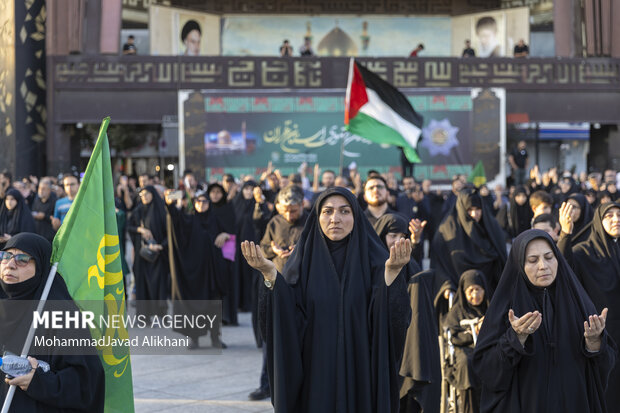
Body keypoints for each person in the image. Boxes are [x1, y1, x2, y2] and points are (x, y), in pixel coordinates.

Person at [241, 187, 412, 413]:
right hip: (315, 373)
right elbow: (286, 318)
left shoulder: (377, 261)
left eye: (344, 211)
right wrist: (271, 276)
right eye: (328, 211)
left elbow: (390, 325)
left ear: (356, 216)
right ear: (317, 217)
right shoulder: (303, 263)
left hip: (360, 371)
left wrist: (391, 277)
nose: (335, 219)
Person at [472, 229, 616, 412]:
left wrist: (594, 342)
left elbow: (605, 364)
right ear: (519, 264)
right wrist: (515, 339)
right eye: (532, 260)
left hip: (573, 402)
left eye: (549, 257)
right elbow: (487, 371)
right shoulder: (505, 307)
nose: (543, 266)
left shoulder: (577, 301)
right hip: (526, 403)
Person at [0, 233, 105, 412]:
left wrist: (39, 382)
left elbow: (87, 383)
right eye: (5, 256)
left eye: (22, 259)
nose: (10, 264)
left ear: (40, 266)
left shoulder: (61, 314)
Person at [249, 185, 308, 401]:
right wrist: (273, 251)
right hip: (276, 287)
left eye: (293, 210)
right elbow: (263, 248)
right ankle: (267, 384)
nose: (289, 214)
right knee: (271, 339)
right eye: (285, 210)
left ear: (302, 205)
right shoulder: (274, 222)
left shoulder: (310, 222)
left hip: (302, 289)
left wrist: (299, 251)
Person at [164, 190, 226, 349]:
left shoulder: (216, 220)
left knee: (213, 305)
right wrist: (170, 204)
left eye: (205, 201)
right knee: (193, 306)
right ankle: (194, 338)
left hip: (213, 272)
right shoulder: (189, 219)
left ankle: (215, 337)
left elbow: (232, 233)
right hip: (195, 274)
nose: (201, 204)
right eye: (198, 201)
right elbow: (176, 221)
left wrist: (225, 235)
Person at [572, 202, 620, 408]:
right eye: (609, 216)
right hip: (602, 331)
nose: (616, 219)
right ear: (599, 221)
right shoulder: (583, 253)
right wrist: (565, 234)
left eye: (619, 215)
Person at [431, 189, 507, 297]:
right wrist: (446, 285)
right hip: (458, 296)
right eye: (469, 210)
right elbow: (439, 264)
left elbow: (502, 260)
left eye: (478, 209)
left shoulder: (491, 227)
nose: (474, 214)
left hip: (490, 293)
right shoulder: (447, 231)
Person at [444, 270, 488, 413]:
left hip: (486, 349)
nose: (475, 295)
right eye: (471, 290)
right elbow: (453, 337)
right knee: (466, 363)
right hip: (463, 350)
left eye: (478, 290)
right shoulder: (457, 311)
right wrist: (473, 332)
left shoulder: (490, 308)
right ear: (463, 292)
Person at [127, 186, 168, 319]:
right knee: (142, 282)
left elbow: (169, 231)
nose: (144, 197)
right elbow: (129, 226)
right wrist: (141, 230)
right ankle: (144, 315)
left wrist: (161, 246)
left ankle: (159, 314)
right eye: (142, 195)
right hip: (143, 254)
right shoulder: (139, 210)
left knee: (157, 284)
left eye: (147, 194)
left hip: (158, 254)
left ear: (153, 194)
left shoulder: (161, 210)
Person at [30, 179, 57, 243]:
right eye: (40, 188)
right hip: (37, 235)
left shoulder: (55, 202)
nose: (41, 190)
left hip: (49, 237)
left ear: (49, 190)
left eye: (44, 189)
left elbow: (56, 218)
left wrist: (44, 216)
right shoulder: (36, 200)